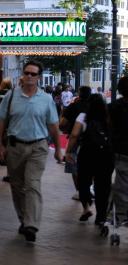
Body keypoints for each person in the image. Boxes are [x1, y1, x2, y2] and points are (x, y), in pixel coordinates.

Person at [0, 60, 63, 243]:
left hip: (38, 147)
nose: (29, 76)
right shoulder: (11, 96)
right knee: (17, 186)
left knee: (32, 184)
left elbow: (53, 125)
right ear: (23, 75)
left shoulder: (46, 99)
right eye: (27, 73)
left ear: (39, 77)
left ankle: (31, 224)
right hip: (15, 146)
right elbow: (1, 120)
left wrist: (58, 149)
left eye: (33, 74)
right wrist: (0, 145)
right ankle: (24, 220)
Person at [65, 94, 114, 224]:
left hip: (87, 153)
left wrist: (68, 151)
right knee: (103, 186)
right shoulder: (109, 117)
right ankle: (101, 217)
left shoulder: (83, 116)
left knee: (84, 182)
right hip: (106, 155)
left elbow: (75, 134)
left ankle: (86, 207)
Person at [59, 86, 91, 200]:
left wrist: (63, 129)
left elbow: (63, 123)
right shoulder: (94, 106)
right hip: (92, 140)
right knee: (90, 165)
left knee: (74, 165)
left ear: (79, 94)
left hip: (76, 139)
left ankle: (79, 191)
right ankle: (88, 188)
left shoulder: (74, 106)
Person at [108, 75, 128, 220]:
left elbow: (110, 129)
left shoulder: (114, 107)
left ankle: (119, 216)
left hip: (122, 149)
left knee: (121, 184)